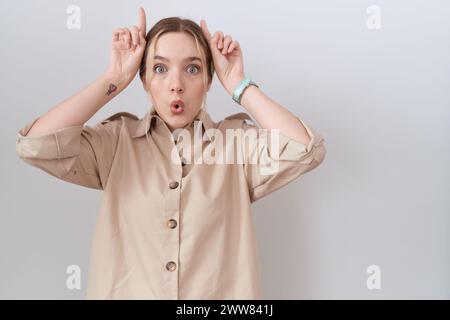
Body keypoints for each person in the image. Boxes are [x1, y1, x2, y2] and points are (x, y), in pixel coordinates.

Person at [15, 7, 327, 299]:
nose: (176, 84)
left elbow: (305, 149)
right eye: (160, 68)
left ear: (208, 80)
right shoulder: (115, 142)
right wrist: (113, 79)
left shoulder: (236, 145)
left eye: (192, 69)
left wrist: (237, 83)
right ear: (144, 79)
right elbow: (35, 145)